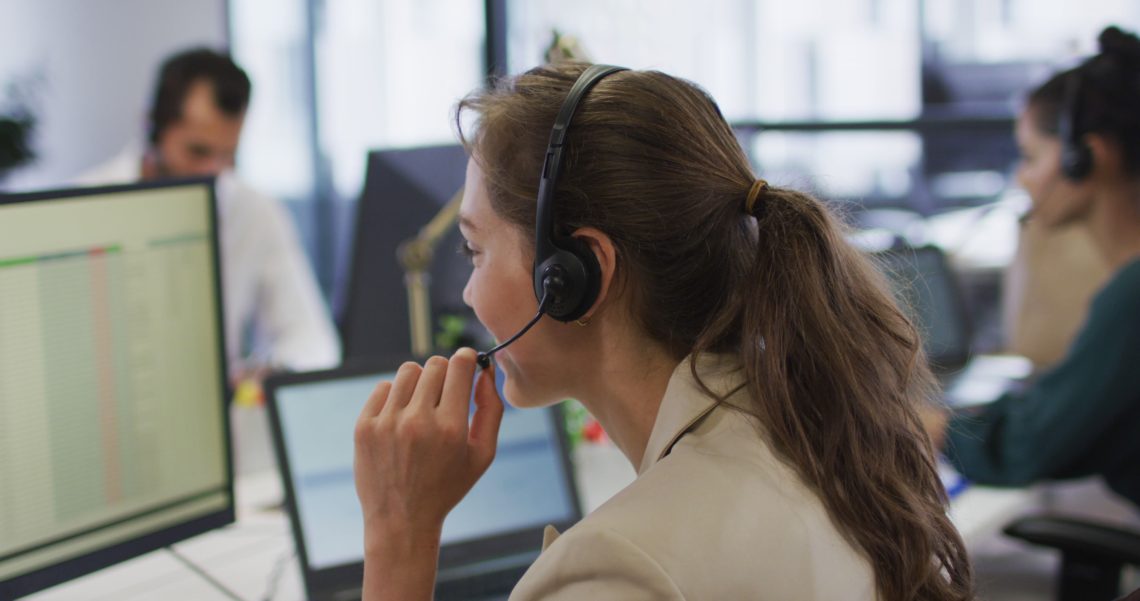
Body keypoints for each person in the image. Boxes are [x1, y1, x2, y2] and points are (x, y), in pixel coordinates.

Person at [353, 63, 973, 600]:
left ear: (572, 275)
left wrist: (399, 536)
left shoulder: (620, 566)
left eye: (473, 251)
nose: (466, 294)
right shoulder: (815, 435)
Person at [925, 26, 1140, 508]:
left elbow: (1025, 448)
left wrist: (934, 426)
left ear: (1087, 157)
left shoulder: (1133, 294)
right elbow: (1074, 424)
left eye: (1030, 156)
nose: (1023, 177)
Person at [77, 48, 340, 377]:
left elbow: (313, 341)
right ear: (151, 126)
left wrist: (273, 370)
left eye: (227, 155)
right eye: (197, 151)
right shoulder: (82, 208)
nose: (211, 171)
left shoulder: (254, 210)